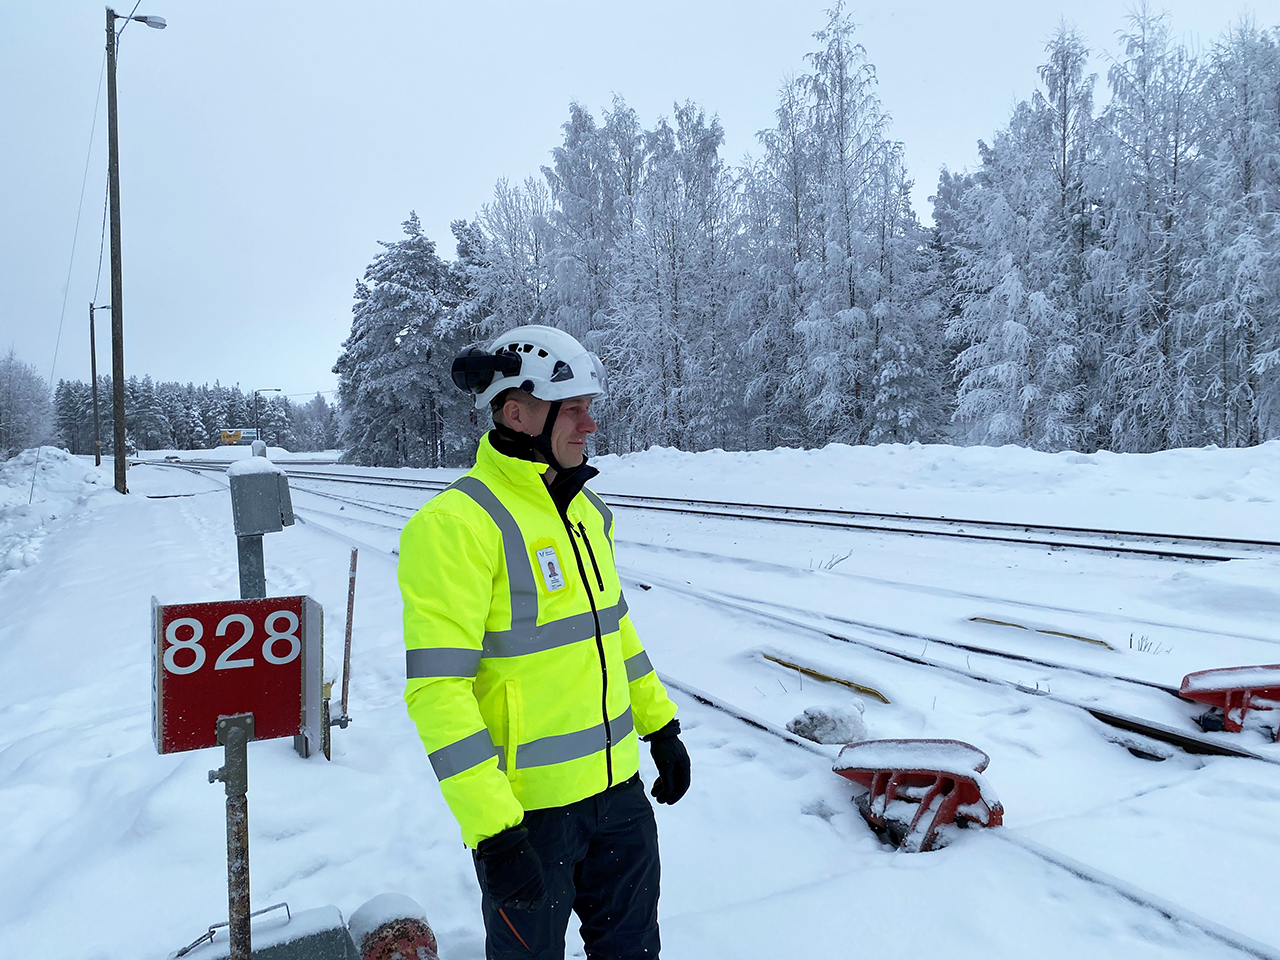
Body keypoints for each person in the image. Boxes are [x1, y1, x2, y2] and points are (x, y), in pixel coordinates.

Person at [398, 325, 691, 960]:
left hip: (618, 797)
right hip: (528, 819)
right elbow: (437, 692)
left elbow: (614, 631)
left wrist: (660, 727)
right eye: (575, 409)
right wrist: (493, 829)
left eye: (591, 407)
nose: (590, 425)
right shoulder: (456, 525)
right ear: (517, 412)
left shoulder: (589, 513)